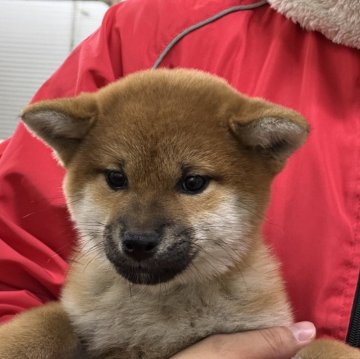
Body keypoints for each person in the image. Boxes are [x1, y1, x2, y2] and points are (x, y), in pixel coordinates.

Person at [0, 0, 359, 357]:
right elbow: (11, 272)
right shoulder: (155, 29)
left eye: (192, 184)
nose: (139, 231)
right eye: (116, 179)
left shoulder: (252, 295)